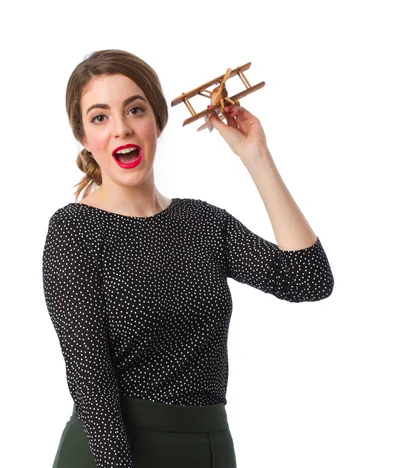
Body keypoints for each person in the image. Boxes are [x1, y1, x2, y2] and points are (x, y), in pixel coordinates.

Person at [42, 49, 335, 468]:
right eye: (100, 117)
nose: (122, 129)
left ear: (157, 122)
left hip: (209, 447)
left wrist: (256, 157)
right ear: (84, 137)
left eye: (135, 110)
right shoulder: (75, 231)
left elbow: (309, 280)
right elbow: (91, 382)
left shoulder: (202, 222)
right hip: (111, 452)